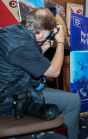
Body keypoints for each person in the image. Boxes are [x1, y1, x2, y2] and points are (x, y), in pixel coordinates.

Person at [0, 8, 81, 139]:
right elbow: (54, 72)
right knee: (73, 101)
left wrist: (40, 50)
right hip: (11, 98)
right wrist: (60, 42)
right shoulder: (24, 45)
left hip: (13, 88)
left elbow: (20, 62)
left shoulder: (10, 31)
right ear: (43, 31)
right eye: (49, 32)